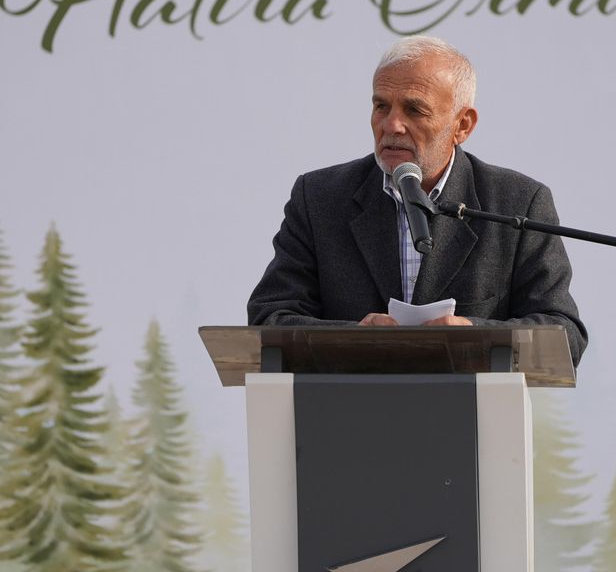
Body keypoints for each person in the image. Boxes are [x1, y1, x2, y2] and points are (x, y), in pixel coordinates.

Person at [247, 36, 587, 366]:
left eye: (414, 109)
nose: (392, 125)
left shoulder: (517, 203)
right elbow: (270, 317)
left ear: (463, 125)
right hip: (345, 402)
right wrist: (352, 339)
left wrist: (476, 334)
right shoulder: (320, 197)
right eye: (381, 106)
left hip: (472, 403)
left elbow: (565, 335)